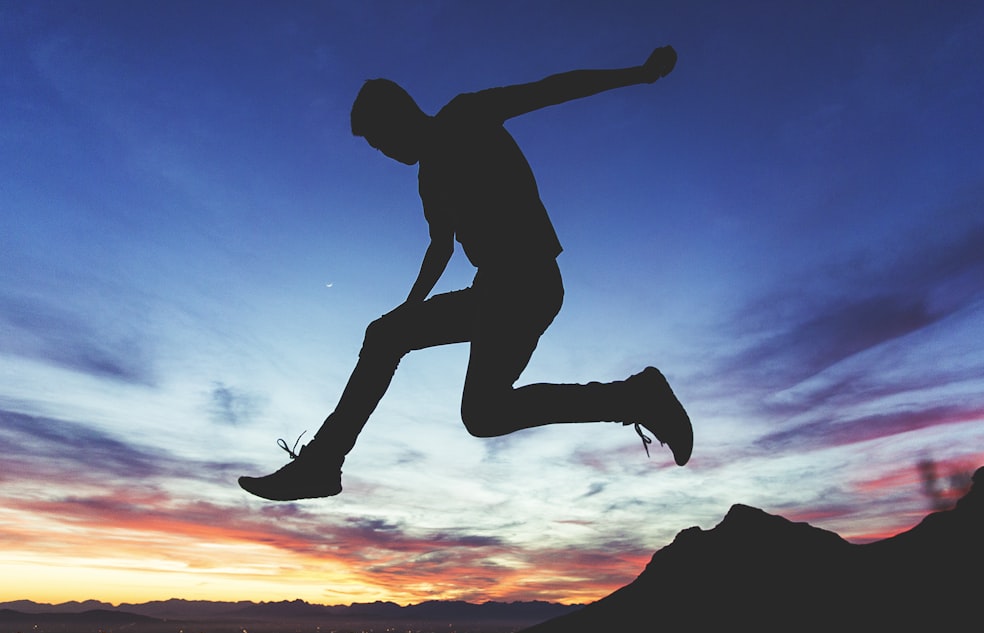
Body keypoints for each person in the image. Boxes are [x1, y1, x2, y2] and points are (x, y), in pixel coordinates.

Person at [239, 45, 692, 501]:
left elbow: (552, 90)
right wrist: (408, 311)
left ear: (398, 115)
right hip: (493, 290)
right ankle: (323, 463)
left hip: (528, 282)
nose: (385, 153)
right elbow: (440, 247)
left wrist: (638, 72)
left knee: (476, 407)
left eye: (379, 139)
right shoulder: (429, 177)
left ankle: (637, 397)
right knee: (440, 379)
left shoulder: (466, 114)